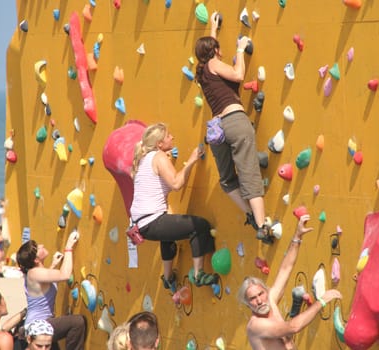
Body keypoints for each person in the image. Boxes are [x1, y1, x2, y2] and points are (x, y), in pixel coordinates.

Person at [194, 12, 273, 244]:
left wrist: (213, 28)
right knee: (249, 173)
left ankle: (249, 214)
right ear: (215, 51)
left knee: (228, 180)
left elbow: (209, 54)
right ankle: (262, 225)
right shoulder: (214, 63)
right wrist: (240, 48)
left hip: (217, 131)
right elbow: (238, 75)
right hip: (235, 120)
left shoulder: (202, 72)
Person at [130, 123, 218, 289]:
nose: (172, 137)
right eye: (168, 135)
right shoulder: (158, 156)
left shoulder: (144, 159)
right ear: (159, 144)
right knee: (199, 226)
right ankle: (199, 274)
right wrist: (192, 160)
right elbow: (176, 184)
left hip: (142, 224)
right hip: (151, 221)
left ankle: (168, 277)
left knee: (167, 235)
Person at [238, 215, 342, 349]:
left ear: (266, 291)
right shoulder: (256, 325)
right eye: (252, 298)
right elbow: (293, 327)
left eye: (260, 294)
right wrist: (321, 302)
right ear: (247, 303)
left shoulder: (270, 301)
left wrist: (297, 237)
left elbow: (285, 269)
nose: (259, 300)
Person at [16, 230, 86, 350]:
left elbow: (45, 282)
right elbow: (65, 275)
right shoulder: (34, 273)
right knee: (78, 322)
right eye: (38, 248)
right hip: (38, 324)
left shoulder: (34, 272)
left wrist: (53, 265)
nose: (42, 245)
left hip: (39, 322)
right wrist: (68, 247)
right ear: (36, 260)